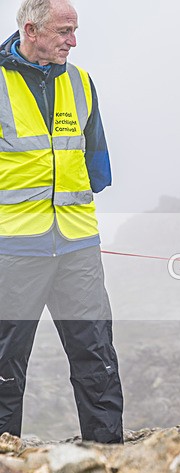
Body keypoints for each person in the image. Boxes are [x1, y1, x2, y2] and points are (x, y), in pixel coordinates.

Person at [0, 0, 123, 443]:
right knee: (4, 366)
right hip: (14, 252)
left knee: (97, 359)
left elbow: (98, 168)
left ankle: (111, 463)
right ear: (31, 30)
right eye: (64, 31)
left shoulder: (82, 82)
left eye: (75, 30)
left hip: (76, 250)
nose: (73, 40)